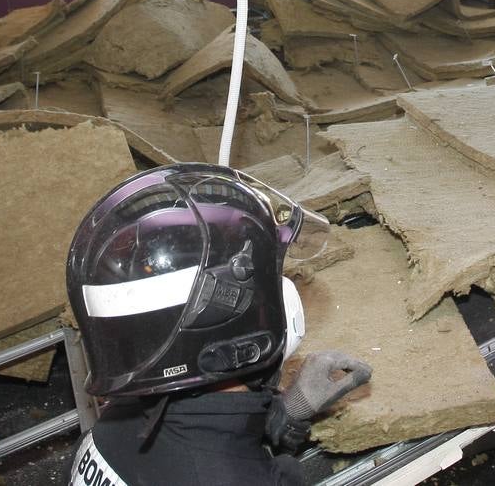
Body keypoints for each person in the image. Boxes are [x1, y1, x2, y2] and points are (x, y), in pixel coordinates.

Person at [65, 163, 372, 485]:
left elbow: (190, 445)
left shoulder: (113, 424)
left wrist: (283, 411)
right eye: (271, 283)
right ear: (233, 337)